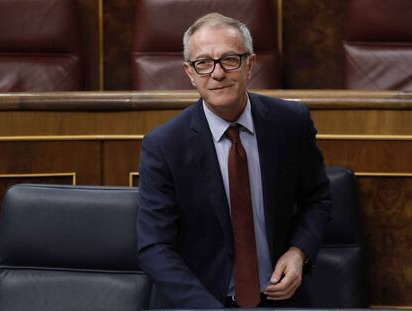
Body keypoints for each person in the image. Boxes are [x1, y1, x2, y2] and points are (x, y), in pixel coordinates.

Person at [137, 12, 332, 309]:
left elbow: (317, 199)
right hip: (200, 302)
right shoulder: (164, 146)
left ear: (249, 64)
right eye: (203, 63)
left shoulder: (291, 124)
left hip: (280, 299)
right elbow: (155, 247)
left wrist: (298, 251)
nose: (217, 73)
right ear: (190, 73)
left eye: (230, 59)